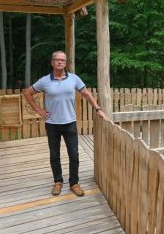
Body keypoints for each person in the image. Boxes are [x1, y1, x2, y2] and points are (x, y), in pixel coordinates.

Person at [23, 51, 106, 197]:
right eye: (57, 60)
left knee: (74, 155)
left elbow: (86, 93)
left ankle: (74, 183)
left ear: (66, 63)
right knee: (54, 155)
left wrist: (97, 108)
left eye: (63, 60)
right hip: (52, 124)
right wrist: (38, 110)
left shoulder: (74, 79)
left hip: (70, 123)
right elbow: (27, 93)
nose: (60, 62)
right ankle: (58, 181)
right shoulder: (44, 81)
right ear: (52, 62)